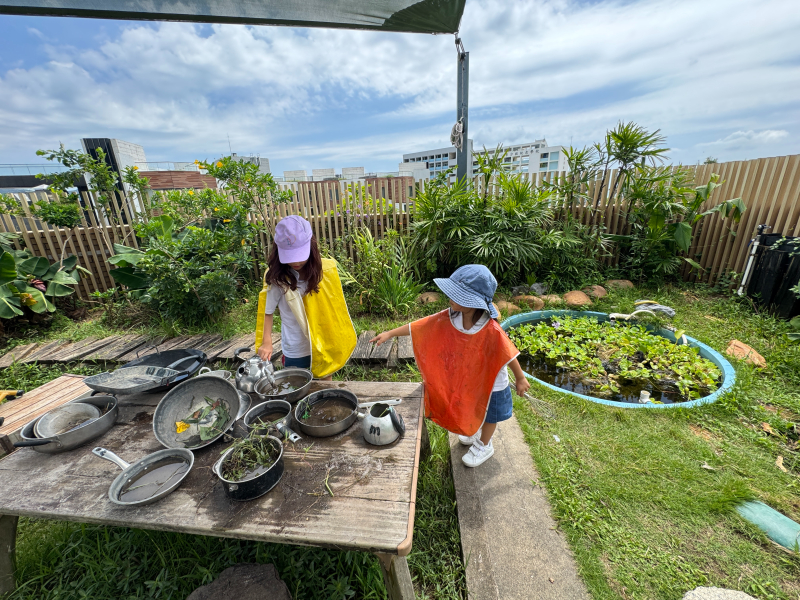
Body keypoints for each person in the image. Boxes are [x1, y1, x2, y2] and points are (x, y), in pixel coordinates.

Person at [371, 265, 530, 467]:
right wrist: (391, 333)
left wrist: (520, 378)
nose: (449, 297)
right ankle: (474, 432)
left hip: (493, 382)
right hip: (471, 379)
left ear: (472, 303)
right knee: (471, 405)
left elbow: (508, 354)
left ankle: (484, 444)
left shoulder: (491, 328)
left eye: (456, 295)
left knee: (491, 415)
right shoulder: (451, 316)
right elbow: (421, 325)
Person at [255, 215, 356, 380]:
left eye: (299, 254)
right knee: (296, 385)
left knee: (325, 383)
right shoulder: (277, 279)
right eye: (290, 256)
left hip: (322, 343)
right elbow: (268, 311)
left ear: (311, 246)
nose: (296, 262)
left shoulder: (323, 273)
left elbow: (333, 309)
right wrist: (266, 341)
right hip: (295, 349)